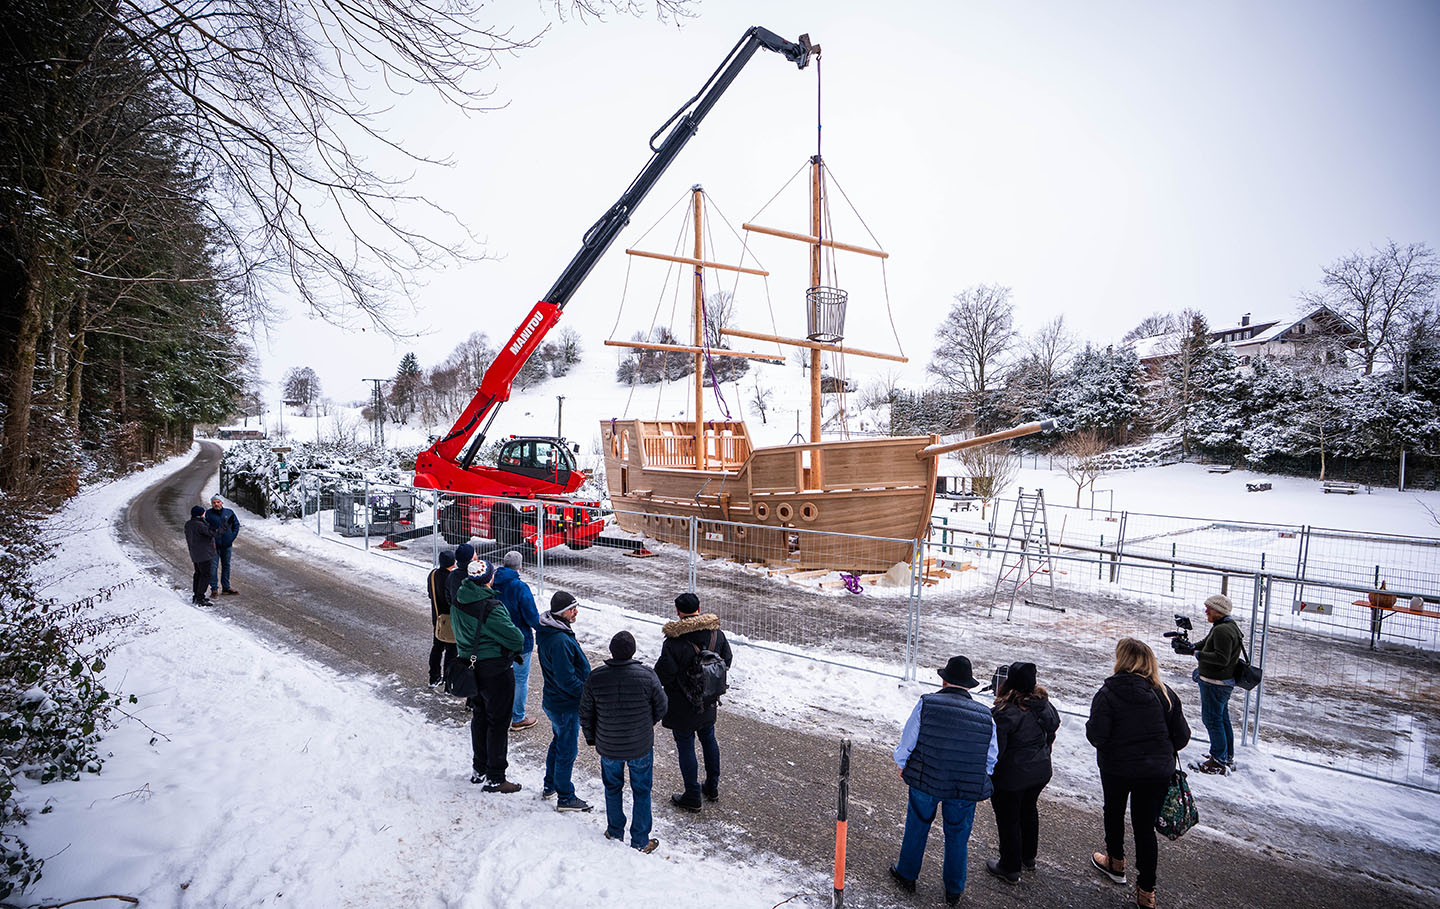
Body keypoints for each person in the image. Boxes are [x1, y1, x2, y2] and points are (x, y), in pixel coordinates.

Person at [1087, 638, 1191, 909]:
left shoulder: (1108, 693)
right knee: (1145, 829)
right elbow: (1182, 737)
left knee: (1114, 812)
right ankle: (1147, 892)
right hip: (1155, 772)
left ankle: (1115, 862)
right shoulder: (1163, 693)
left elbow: (1097, 735)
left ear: (1121, 660)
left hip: (1116, 768)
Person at [889, 655, 997, 905]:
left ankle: (906, 874)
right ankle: (954, 889)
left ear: (943, 680)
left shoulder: (927, 703)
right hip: (963, 787)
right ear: (969, 686)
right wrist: (978, 776)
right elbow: (991, 756)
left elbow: (909, 740)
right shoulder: (985, 715)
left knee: (917, 824)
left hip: (927, 778)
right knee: (958, 834)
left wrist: (902, 764)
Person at [580, 630, 668, 854]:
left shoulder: (596, 677)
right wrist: (647, 725)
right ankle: (640, 839)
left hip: (608, 745)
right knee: (641, 790)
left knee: (612, 787)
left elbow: (586, 712)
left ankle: (615, 830)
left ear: (611, 651)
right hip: (640, 745)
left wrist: (592, 737)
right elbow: (662, 706)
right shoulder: (647, 676)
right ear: (633, 651)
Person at [654, 592, 732, 812]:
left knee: (686, 745)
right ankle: (712, 787)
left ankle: (692, 794)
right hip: (708, 699)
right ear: (700, 608)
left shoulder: (673, 642)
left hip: (682, 705)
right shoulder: (716, 634)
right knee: (709, 739)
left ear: (678, 612)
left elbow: (664, 674)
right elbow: (727, 661)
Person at [985, 661, 1061, 884]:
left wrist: (990, 772)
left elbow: (997, 749)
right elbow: (1052, 730)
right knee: (1028, 809)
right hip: (1040, 771)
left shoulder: (1005, 713)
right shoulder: (1044, 705)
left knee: (1009, 817)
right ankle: (1028, 856)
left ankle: (1009, 866)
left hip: (1013, 776)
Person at [452, 558, 524, 793]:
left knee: (480, 716)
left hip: (470, 667)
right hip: (495, 669)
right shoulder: (491, 607)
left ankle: (479, 768)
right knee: (498, 721)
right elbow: (516, 639)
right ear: (488, 579)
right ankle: (496, 776)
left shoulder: (459, 600)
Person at [1171, 593, 1242, 775]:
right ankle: (1225, 756)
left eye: (1209, 608)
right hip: (1221, 681)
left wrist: (1195, 654)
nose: (1206, 611)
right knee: (1222, 719)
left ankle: (1217, 761)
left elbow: (1221, 658)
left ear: (1218, 611)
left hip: (1215, 682)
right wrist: (1191, 647)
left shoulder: (1222, 630)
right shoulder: (1225, 626)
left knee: (1212, 719)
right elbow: (1207, 644)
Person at [535, 590, 592, 812]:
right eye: (572, 608)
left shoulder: (555, 631)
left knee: (558, 743)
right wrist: (586, 693)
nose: (576, 611)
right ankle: (565, 796)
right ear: (560, 613)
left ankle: (550, 784)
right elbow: (565, 679)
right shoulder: (558, 640)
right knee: (567, 750)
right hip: (565, 704)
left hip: (556, 701)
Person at [493, 550, 542, 731]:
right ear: (519, 567)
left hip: (497, 639)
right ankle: (518, 717)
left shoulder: (491, 582)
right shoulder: (520, 587)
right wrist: (542, 628)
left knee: (499, 676)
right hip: (519, 640)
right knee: (520, 679)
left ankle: (498, 712)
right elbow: (531, 616)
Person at [426, 550, 457, 687]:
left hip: (437, 618)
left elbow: (430, 594)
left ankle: (434, 677)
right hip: (450, 620)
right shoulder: (452, 578)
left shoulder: (432, 575)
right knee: (451, 651)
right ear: (452, 563)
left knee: (437, 648)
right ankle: (448, 680)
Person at [204, 494, 241, 597]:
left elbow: (236, 525)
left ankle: (226, 587)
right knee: (213, 567)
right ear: (212, 504)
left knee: (226, 566)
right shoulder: (208, 514)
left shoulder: (229, 513)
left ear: (221, 502)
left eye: (218, 502)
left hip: (227, 545)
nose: (216, 504)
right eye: (214, 503)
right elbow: (205, 528)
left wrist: (231, 537)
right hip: (214, 546)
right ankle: (214, 589)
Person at [183, 505, 216, 606]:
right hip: (204, 554)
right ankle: (200, 597)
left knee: (198, 573)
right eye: (203, 513)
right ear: (200, 514)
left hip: (195, 553)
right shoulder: (200, 525)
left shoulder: (188, 524)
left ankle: (196, 595)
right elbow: (210, 534)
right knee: (205, 575)